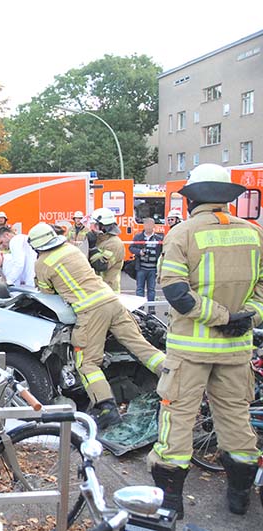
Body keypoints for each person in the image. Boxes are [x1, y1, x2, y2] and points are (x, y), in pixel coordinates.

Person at [148, 163, 263, 519]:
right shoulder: (254, 234)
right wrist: (246, 317)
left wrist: (221, 317)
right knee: (236, 421)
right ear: (227, 198)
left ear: (192, 197)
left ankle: (171, 505)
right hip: (236, 351)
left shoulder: (182, 234)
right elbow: (260, 292)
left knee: (177, 422)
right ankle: (240, 499)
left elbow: (177, 294)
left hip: (190, 352)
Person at [28, 222, 166, 430]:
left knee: (86, 363)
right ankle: (175, 379)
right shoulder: (70, 249)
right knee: (141, 347)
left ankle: (106, 408)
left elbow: (47, 295)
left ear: (36, 247)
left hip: (90, 311)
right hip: (113, 301)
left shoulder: (42, 263)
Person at [88, 208, 124, 292]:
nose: (93, 228)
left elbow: (101, 265)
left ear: (103, 227)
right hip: (96, 289)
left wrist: (92, 248)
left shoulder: (114, 244)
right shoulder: (100, 240)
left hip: (108, 291)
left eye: (95, 225)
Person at [129, 218, 162, 305]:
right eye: (146, 224)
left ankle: (151, 308)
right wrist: (139, 252)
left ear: (154, 226)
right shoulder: (138, 237)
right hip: (141, 268)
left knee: (151, 289)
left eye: (150, 225)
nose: (148, 226)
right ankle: (140, 307)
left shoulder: (158, 238)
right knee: (140, 289)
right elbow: (131, 248)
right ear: (144, 225)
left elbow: (162, 251)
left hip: (153, 269)